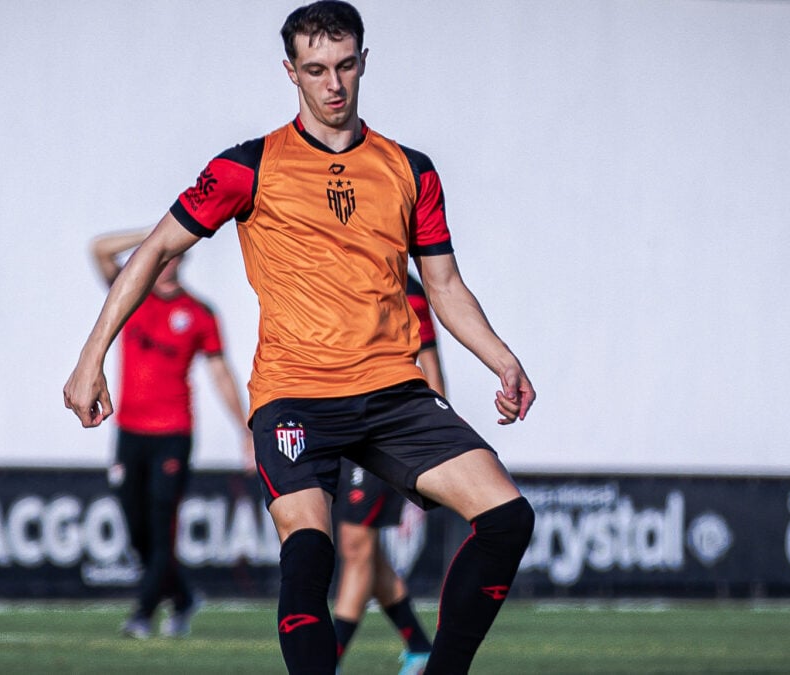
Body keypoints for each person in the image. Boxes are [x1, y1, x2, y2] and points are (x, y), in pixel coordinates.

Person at [63, 2, 536, 672]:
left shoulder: (411, 170)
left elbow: (445, 287)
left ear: (364, 62)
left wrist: (502, 360)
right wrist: (91, 356)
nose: (333, 83)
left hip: (393, 390)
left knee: (508, 517)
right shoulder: (247, 168)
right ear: (291, 72)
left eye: (345, 66)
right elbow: (155, 249)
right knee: (310, 548)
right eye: (315, 69)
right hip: (295, 398)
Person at [89, 228, 253, 639]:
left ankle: (142, 614)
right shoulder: (132, 294)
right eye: (160, 256)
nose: (166, 263)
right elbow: (99, 250)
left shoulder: (198, 313)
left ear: (182, 259)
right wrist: (157, 231)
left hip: (174, 433)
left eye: (173, 255)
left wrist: (245, 427)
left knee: (163, 526)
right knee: (136, 529)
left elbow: (219, 372)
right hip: (130, 431)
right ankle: (181, 596)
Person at [333, 274, 441, 675]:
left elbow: (429, 359)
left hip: (386, 431)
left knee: (356, 546)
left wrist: (436, 439)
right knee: (363, 549)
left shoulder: (406, 289)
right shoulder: (337, 273)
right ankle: (419, 645)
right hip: (342, 426)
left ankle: (329, 657)